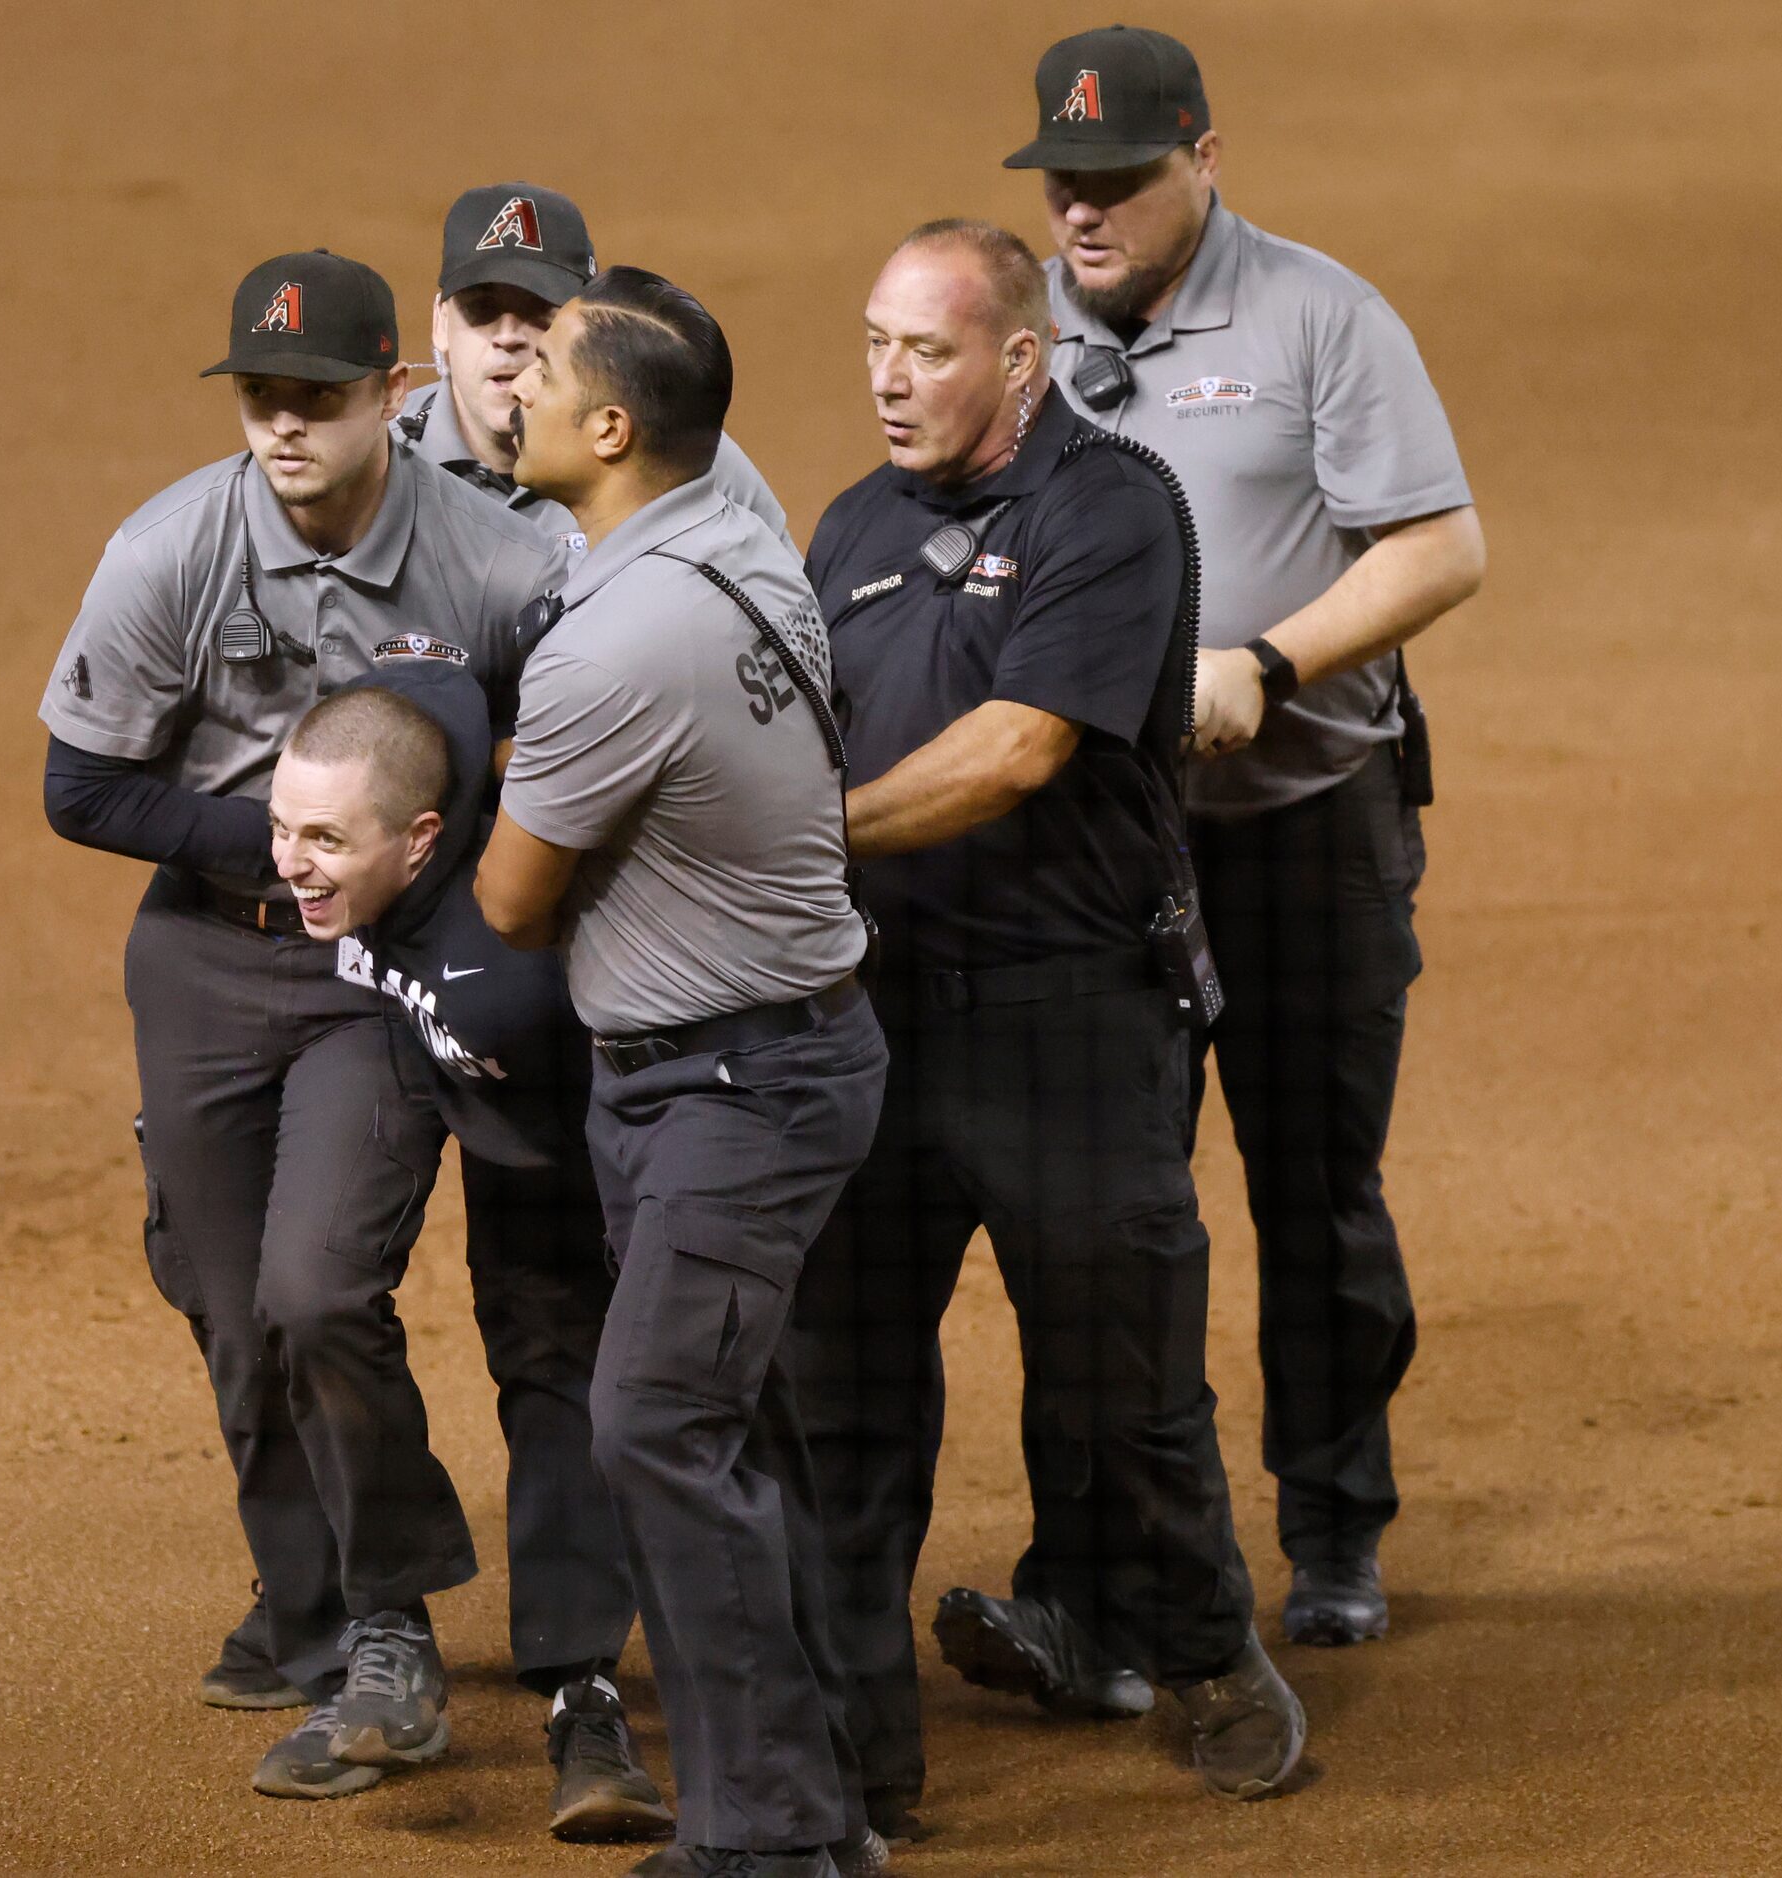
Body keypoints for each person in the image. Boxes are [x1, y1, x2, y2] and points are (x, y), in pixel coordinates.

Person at [789, 218, 1306, 1822]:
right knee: (846, 1386)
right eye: (874, 340)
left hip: (1067, 1020)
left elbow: (1016, 750)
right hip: (880, 1017)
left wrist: (804, 838)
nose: (888, 375)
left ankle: (1211, 1649)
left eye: (926, 348)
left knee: (1122, 1373)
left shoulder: (1110, 505)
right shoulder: (853, 523)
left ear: (1019, 360)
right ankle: (857, 1745)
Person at [36, 248, 560, 1801]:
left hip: (376, 978)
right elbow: (80, 788)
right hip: (207, 958)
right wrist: (275, 848)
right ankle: (309, 1597)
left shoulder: (493, 559)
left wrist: (443, 897)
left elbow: (569, 740)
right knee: (221, 1296)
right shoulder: (169, 550)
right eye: (260, 397)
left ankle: (386, 1619)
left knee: (318, 1283)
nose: (283, 427)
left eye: (317, 398)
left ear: (391, 393)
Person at [1006, 23, 1487, 1647]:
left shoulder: (1317, 318)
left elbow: (1438, 546)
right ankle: (1104, 1559)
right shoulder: (1017, 339)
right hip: (1103, 848)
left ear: (1202, 163)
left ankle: (1332, 1523)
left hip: (1302, 828)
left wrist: (1266, 661)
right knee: (1104, 1202)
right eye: (1064, 185)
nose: (1084, 216)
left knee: (1308, 1185)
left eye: (1119, 184)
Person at [477, 265, 887, 1878]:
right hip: (743, 1060)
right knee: (723, 1436)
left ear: (613, 425)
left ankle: (770, 1834)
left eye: (546, 369)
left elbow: (512, 901)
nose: (507, 385)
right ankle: (813, 1806)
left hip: (735, 1090)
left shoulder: (615, 643)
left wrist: (486, 775)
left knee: (653, 1424)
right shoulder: (731, 521)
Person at [265, 667, 674, 1844]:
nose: (292, 861)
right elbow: (430, 693)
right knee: (311, 1293)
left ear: (422, 840)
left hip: (556, 1132)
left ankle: (581, 1685)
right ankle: (387, 1629)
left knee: (560, 1367)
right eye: (283, 827)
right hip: (410, 1053)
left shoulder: (519, 956)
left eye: (326, 839)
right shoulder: (403, 748)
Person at [398, 181, 793, 552]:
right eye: (481, 309)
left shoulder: (672, 449)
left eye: (539, 310)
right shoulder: (382, 463)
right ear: (441, 323)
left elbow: (790, 606)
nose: (508, 336)